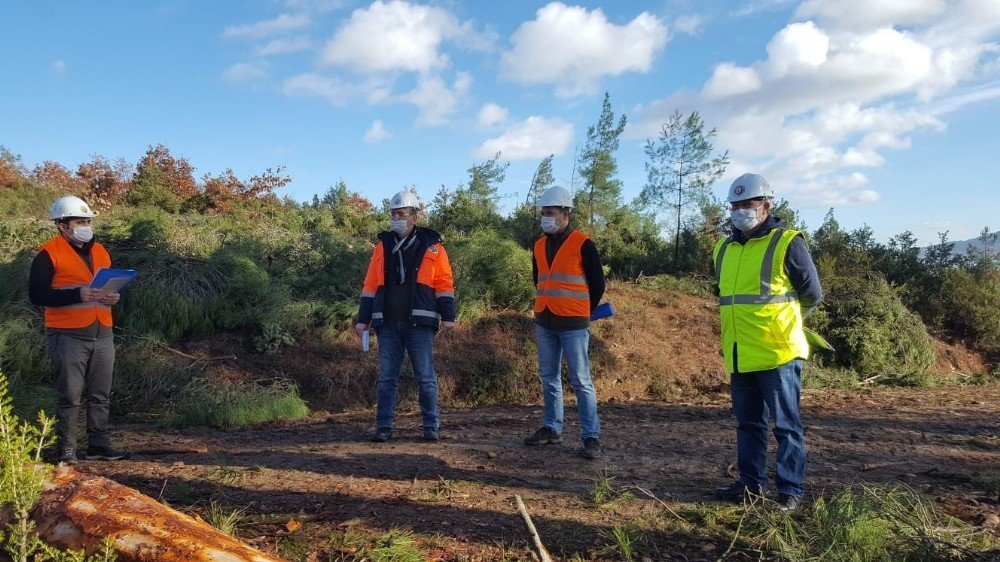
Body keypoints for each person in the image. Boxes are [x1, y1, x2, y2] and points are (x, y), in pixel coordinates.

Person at [712, 173, 822, 512]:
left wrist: (783, 325)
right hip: (740, 352)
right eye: (735, 206)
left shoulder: (787, 242)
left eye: (748, 204)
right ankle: (751, 485)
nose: (741, 210)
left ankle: (790, 491)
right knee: (748, 424)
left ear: (766, 206)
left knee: (787, 426)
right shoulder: (723, 248)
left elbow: (812, 294)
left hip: (778, 352)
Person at [29, 195, 130, 464]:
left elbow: (106, 286)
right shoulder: (48, 254)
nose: (85, 225)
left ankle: (99, 445)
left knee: (100, 393)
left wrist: (113, 297)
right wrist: (78, 294)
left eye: (87, 220)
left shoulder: (101, 251)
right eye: (79, 221)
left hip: (102, 330)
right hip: (67, 334)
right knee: (70, 395)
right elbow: (37, 294)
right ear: (62, 225)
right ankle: (67, 450)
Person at [355, 189, 455, 442]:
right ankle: (383, 426)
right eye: (393, 213)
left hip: (420, 322)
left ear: (414, 216)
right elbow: (370, 284)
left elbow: (444, 283)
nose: (396, 218)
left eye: (401, 213)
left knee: (425, 378)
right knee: (387, 378)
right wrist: (363, 319)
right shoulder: (383, 245)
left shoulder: (433, 246)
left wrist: (449, 316)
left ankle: (431, 426)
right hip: (387, 322)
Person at [523, 186, 606, 460]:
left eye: (551, 212)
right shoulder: (538, 245)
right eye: (543, 213)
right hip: (545, 320)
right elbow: (539, 280)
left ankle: (590, 435)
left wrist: (582, 309)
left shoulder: (584, 244)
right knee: (549, 378)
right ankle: (552, 428)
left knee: (581, 381)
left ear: (565, 214)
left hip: (573, 323)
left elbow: (597, 284)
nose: (546, 217)